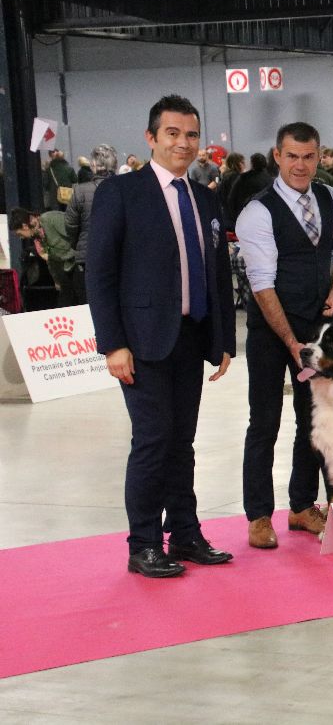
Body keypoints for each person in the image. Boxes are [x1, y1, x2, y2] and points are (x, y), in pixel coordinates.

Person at [86, 94, 235, 578]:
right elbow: (100, 273)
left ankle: (185, 533)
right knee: (153, 439)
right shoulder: (121, 192)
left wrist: (223, 340)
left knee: (182, 442)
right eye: (172, 133)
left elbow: (216, 273)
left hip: (191, 337)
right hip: (141, 340)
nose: (183, 143)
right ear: (151, 138)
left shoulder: (206, 197)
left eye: (191, 134)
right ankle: (144, 543)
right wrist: (112, 344)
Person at [234, 122, 333, 550]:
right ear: (277, 155)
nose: (300, 165)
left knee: (314, 420)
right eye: (292, 156)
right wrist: (289, 341)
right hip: (272, 333)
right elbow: (262, 285)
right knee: (263, 422)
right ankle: (258, 517)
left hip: (316, 329)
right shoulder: (258, 212)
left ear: (319, 156)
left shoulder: (330, 197)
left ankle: (303, 506)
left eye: (309, 156)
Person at [65, 143, 117, 304]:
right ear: (114, 165)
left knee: (89, 305)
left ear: (93, 165)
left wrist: (78, 244)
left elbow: (70, 225)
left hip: (87, 258)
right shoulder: (124, 190)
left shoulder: (79, 191)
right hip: (117, 257)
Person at [9, 207, 76, 307]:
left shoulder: (50, 219)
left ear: (25, 226)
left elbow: (76, 232)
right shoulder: (38, 239)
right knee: (65, 304)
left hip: (78, 264)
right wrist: (56, 280)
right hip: (65, 271)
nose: (21, 238)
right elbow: (51, 260)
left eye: (19, 234)